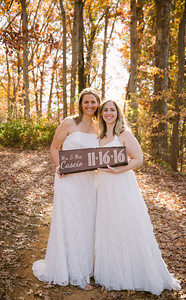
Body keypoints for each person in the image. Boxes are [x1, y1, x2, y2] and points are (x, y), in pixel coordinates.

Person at [94, 100, 181, 295]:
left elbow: (139, 158)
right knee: (109, 224)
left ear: (118, 113)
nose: (109, 113)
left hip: (121, 184)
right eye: (105, 110)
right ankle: (112, 271)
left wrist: (118, 171)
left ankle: (136, 272)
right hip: (104, 187)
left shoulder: (124, 134)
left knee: (126, 223)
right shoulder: (99, 135)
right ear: (101, 114)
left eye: (112, 110)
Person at [32, 88, 100, 290]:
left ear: (98, 104)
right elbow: (54, 148)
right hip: (68, 179)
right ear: (80, 104)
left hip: (89, 181)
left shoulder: (100, 127)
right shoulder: (69, 122)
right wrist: (59, 166)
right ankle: (76, 274)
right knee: (71, 221)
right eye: (86, 102)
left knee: (88, 223)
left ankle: (87, 266)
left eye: (93, 102)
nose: (89, 106)